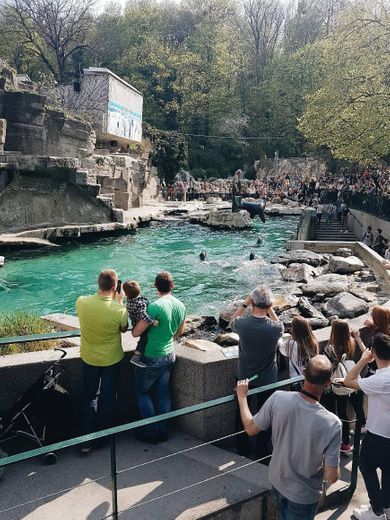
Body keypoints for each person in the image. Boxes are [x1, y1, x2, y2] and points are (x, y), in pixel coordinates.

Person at [236, 355, 341, 520]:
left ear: (304, 372)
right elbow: (331, 477)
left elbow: (250, 428)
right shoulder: (333, 424)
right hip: (304, 496)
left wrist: (242, 398)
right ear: (328, 382)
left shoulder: (278, 398)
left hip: (277, 481)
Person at [76, 269, 128, 452]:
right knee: (107, 399)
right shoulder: (119, 310)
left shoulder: (82, 302)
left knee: (89, 397)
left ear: (98, 284)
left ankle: (86, 441)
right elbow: (124, 328)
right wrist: (119, 302)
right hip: (111, 360)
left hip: (89, 358)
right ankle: (104, 439)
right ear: (115, 287)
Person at [230, 286, 284, 459]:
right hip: (268, 379)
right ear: (269, 305)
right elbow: (279, 324)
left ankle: (242, 450)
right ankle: (262, 453)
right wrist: (271, 309)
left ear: (252, 303)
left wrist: (244, 303)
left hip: (244, 376)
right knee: (266, 416)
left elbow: (232, 320)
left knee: (241, 413)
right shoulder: (274, 329)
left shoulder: (243, 325)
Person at [132, 271, 186, 443]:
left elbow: (136, 332)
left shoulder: (154, 306)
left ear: (155, 286)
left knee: (141, 392)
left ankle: (151, 431)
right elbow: (179, 332)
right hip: (169, 354)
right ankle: (162, 430)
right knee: (163, 392)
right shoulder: (180, 305)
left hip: (152, 355)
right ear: (172, 286)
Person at [343, 334, 390, 520]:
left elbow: (348, 380)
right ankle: (385, 506)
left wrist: (363, 360)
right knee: (388, 471)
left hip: (378, 434)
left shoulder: (379, 380)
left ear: (374, 352)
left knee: (366, 465)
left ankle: (377, 510)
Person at [322, 320, 366, 454]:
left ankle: (345, 443)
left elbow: (327, 367)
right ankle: (362, 429)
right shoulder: (351, 343)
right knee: (358, 406)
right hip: (353, 380)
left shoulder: (329, 348)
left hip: (340, 383)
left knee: (342, 413)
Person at [122, 280, 159, 368]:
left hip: (135, 323)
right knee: (144, 338)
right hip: (141, 324)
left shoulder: (129, 301)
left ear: (126, 294)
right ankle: (136, 357)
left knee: (143, 338)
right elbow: (143, 314)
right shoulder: (140, 302)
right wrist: (152, 321)